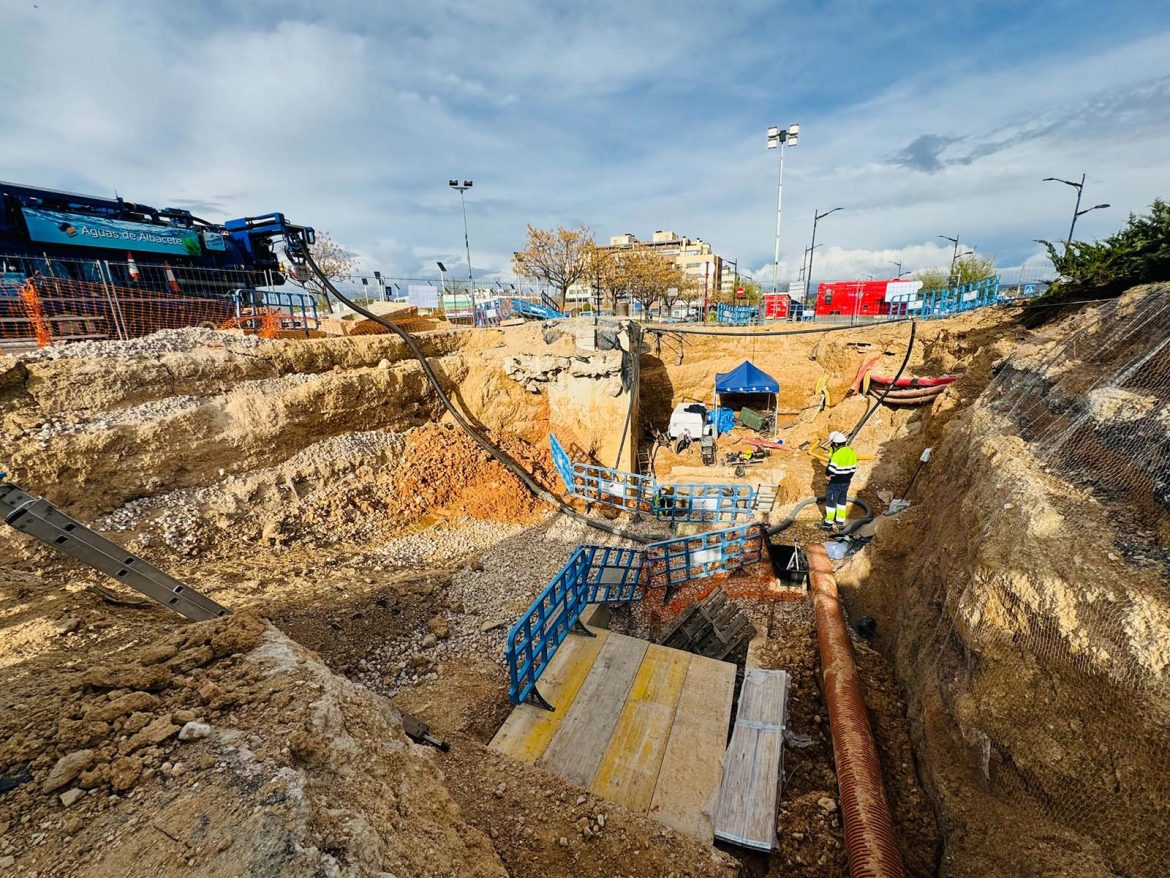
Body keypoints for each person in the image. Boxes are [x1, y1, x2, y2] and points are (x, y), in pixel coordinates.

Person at [822, 431, 858, 531]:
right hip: (846, 482)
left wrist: (827, 475)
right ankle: (840, 522)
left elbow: (831, 469)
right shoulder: (851, 452)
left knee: (831, 502)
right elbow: (853, 469)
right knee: (841, 501)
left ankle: (828, 523)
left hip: (835, 482)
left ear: (836, 444)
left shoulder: (837, 454)